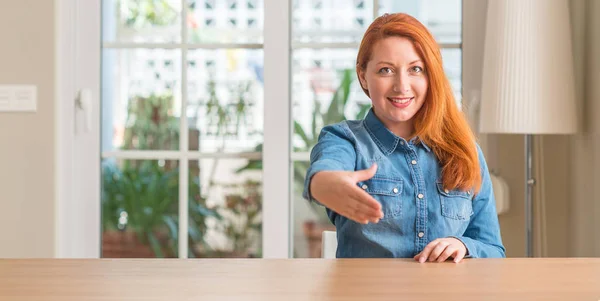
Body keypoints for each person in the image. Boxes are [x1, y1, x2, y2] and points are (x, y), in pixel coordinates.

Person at [302, 13, 505, 262]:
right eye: (386, 70)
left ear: (431, 76)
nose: (402, 85)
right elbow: (324, 174)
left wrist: (462, 245)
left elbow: (494, 250)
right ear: (364, 76)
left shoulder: (464, 150)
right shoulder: (344, 140)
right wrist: (326, 185)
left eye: (415, 69)